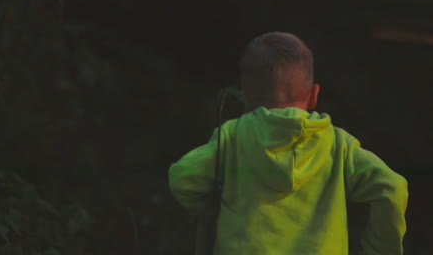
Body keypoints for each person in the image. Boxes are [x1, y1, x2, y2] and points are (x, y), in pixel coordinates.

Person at [168, 32, 408, 255]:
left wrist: (212, 207)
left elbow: (182, 176)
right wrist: (379, 248)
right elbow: (392, 188)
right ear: (314, 95)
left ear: (246, 96)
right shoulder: (339, 145)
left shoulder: (233, 136)